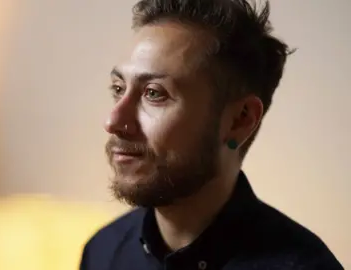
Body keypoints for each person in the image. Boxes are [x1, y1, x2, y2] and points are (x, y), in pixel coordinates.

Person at [79, 0, 344, 269]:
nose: (113, 121)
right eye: (118, 88)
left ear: (239, 121)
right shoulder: (103, 251)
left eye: (154, 93)